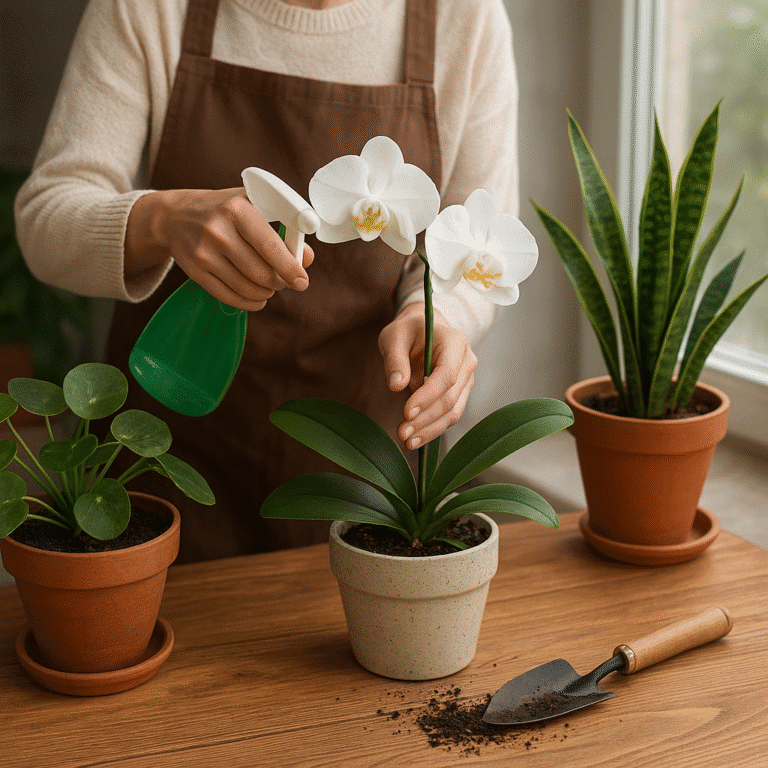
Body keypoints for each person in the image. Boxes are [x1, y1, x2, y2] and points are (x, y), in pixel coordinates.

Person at [15, 0, 520, 562]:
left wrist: (438, 316)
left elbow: (482, 240)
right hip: (165, 464)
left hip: (365, 483)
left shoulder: (462, 18)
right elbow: (45, 221)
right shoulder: (151, 9)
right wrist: (162, 219)